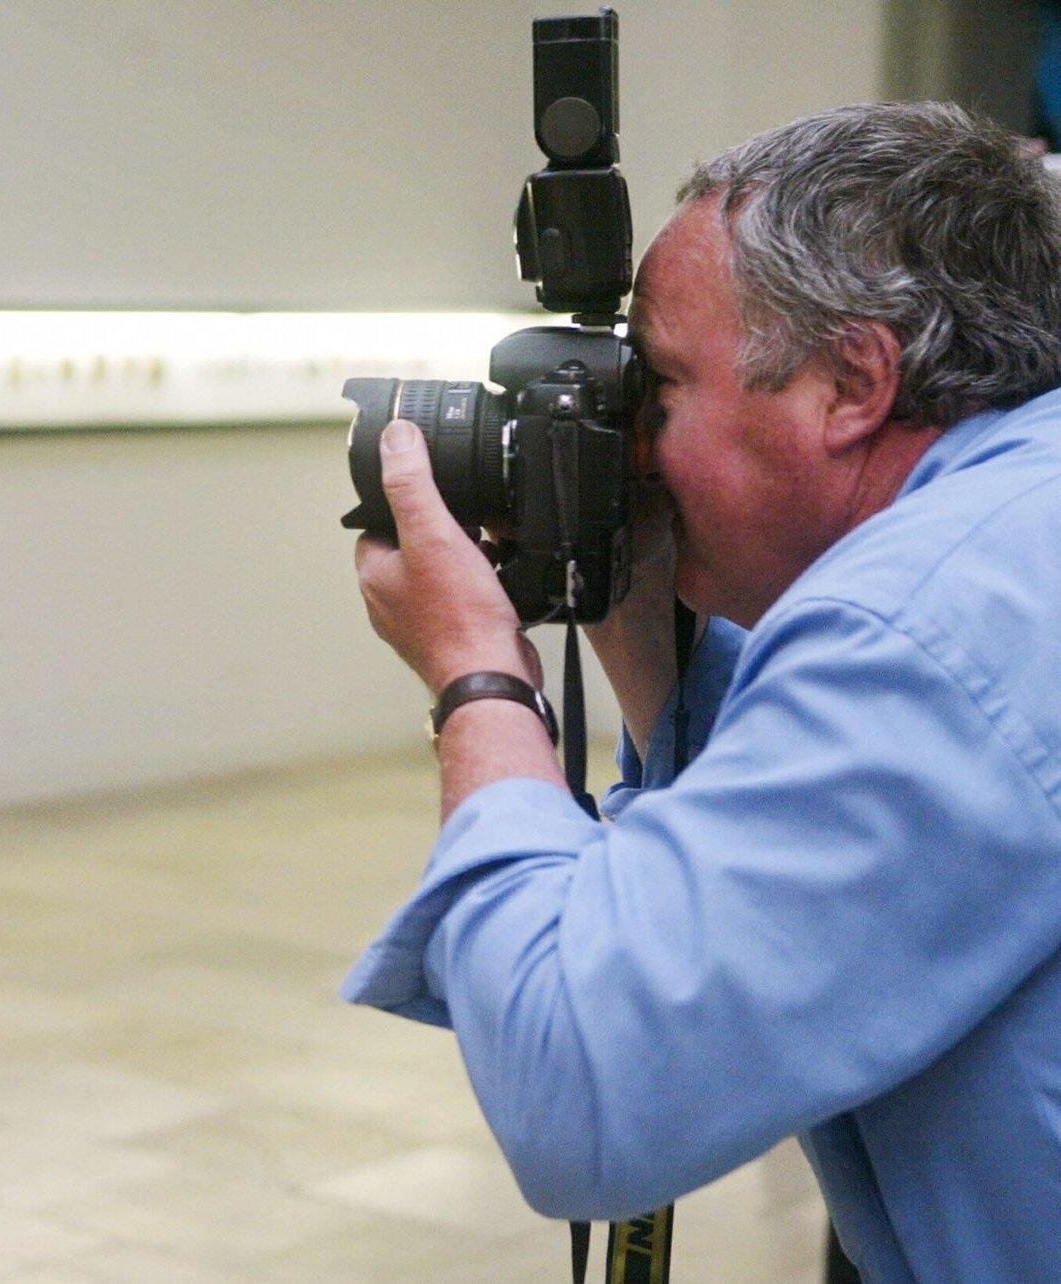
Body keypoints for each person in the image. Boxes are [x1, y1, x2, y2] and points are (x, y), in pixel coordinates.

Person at [344, 101, 1061, 1282]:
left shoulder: (920, 622)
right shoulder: (1005, 526)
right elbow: (806, 856)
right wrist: (634, 597)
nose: (638, 449)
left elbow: (582, 1091)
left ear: (851, 382)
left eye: (663, 391)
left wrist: (479, 671)